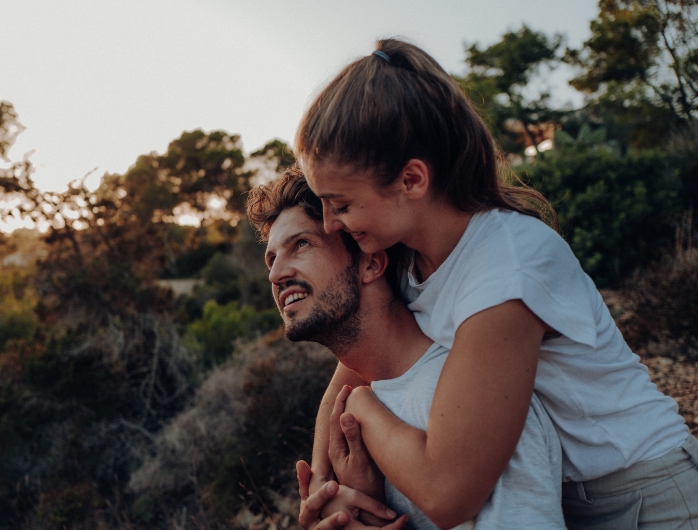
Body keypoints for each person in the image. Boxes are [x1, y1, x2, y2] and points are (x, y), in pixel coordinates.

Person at [293, 38, 698, 529]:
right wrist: (324, 491)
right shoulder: (403, 259)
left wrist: (364, 406)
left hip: (646, 498)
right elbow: (351, 373)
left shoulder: (506, 264)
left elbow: (449, 491)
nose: (332, 225)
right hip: (558, 501)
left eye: (341, 204)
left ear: (412, 180)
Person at [247, 170, 566, 529]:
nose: (276, 275)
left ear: (371, 262)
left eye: (300, 244)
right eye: (271, 260)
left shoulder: (474, 401)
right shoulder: (353, 423)